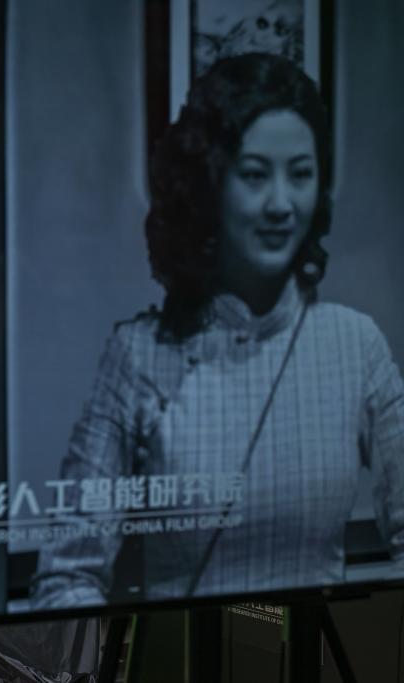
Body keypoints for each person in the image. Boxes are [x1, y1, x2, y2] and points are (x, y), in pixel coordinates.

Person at [32, 53, 404, 608]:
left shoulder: (356, 346)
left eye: (300, 174)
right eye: (254, 175)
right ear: (209, 185)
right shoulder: (139, 355)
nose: (281, 204)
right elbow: (67, 577)